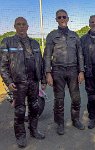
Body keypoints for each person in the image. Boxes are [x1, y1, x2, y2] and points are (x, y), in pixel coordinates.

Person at [0, 17, 46, 148]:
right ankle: (20, 136)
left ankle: (34, 130)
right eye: (18, 24)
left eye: (23, 24)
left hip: (33, 82)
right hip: (18, 83)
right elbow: (2, 66)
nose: (21, 26)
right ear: (14, 26)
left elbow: (41, 64)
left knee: (35, 108)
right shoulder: (7, 42)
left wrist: (43, 80)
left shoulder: (35, 44)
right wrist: (8, 82)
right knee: (20, 111)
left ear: (27, 26)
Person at [43, 9, 85, 135]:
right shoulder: (52, 35)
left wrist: (81, 71)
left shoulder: (75, 35)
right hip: (57, 71)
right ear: (56, 19)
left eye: (64, 17)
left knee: (76, 98)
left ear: (67, 18)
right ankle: (60, 123)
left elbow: (80, 55)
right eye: (59, 17)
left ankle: (75, 119)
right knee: (59, 99)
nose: (62, 19)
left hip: (73, 70)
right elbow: (47, 56)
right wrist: (48, 73)